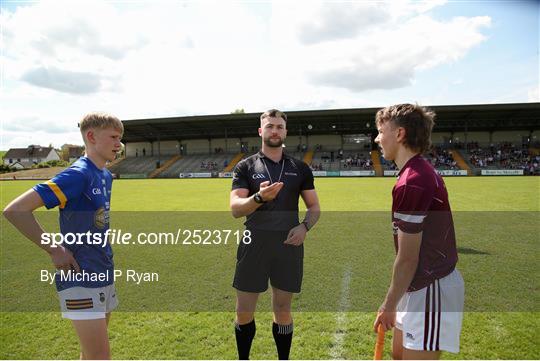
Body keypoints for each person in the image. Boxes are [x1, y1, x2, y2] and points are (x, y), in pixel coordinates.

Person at [3, 112, 124, 360]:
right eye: (113, 137)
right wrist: (54, 249)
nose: (118, 144)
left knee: (89, 355)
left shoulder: (105, 175)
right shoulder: (77, 174)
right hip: (80, 278)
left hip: (103, 271)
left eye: (120, 138)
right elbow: (15, 210)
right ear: (91, 136)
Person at [372, 104, 464, 360]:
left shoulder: (414, 180)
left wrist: (388, 305)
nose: (377, 138)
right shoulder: (413, 173)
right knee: (398, 354)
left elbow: (408, 257)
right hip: (416, 284)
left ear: (399, 134)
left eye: (381, 131)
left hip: (430, 285)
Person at [230, 109, 320, 360]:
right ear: (261, 131)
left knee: (282, 309)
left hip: (288, 245)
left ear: (285, 132)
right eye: (270, 126)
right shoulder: (245, 166)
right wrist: (259, 198)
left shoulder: (300, 168)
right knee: (244, 311)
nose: (274, 131)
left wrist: (304, 227)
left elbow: (314, 207)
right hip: (254, 241)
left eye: (279, 127)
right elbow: (236, 209)